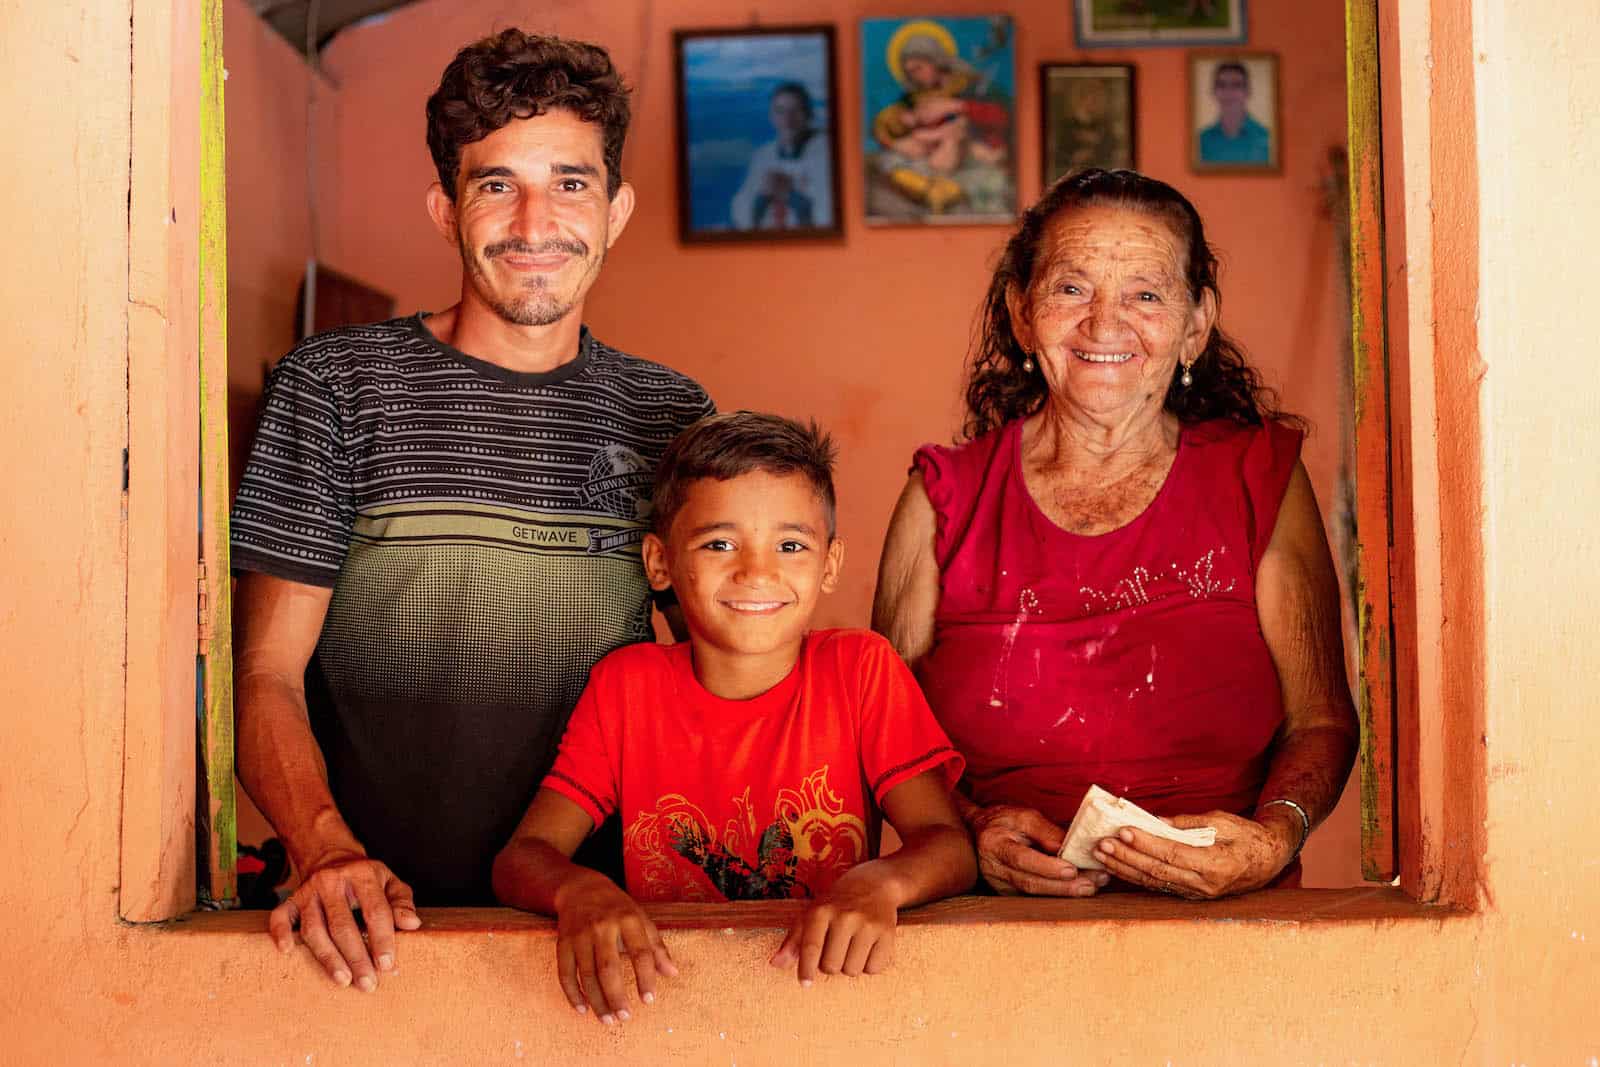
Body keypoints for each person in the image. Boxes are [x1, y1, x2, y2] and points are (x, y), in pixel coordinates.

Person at [228, 29, 714, 990]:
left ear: (615, 211)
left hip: (595, 930)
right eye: (497, 185)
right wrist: (325, 851)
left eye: (571, 184)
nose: (536, 223)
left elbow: (725, 677)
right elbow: (264, 673)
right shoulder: (337, 388)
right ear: (446, 209)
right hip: (369, 926)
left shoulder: (672, 415)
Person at [873, 169, 1358, 900]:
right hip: (991, 933)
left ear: (1195, 326)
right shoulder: (943, 497)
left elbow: (1320, 717)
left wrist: (1273, 836)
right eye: (1072, 289)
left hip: (1229, 924)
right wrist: (970, 828)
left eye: (1146, 294)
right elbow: (889, 734)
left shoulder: (1260, 477)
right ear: (1021, 311)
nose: (1105, 324)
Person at [493, 413, 975, 1024]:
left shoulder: (860, 671)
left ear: (829, 564)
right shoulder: (629, 685)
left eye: (791, 545)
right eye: (719, 543)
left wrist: (882, 884)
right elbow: (524, 855)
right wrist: (578, 890)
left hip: (823, 1005)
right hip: (668, 1005)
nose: (756, 571)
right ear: (660, 562)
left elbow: (950, 846)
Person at [729, 82, 833, 231]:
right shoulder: (764, 155)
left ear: (809, 114)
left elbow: (828, 216)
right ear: (772, 117)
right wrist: (763, 196)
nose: (787, 119)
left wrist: (791, 194)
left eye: (796, 110)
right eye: (780, 111)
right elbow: (741, 215)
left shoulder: (826, 150)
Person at [1197, 61, 1271, 165]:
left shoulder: (1267, 139)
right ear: (1214, 91)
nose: (1228, 91)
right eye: (1222, 85)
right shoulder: (1201, 141)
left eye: (1236, 85)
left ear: (1248, 91)